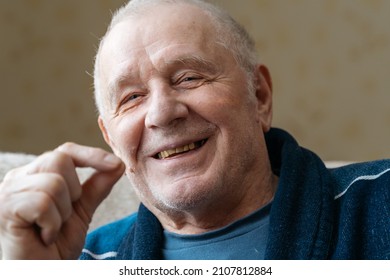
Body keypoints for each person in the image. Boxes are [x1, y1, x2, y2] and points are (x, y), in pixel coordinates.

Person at [0, 0, 389, 260]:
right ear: (110, 138)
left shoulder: (379, 201)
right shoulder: (82, 259)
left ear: (260, 96)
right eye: (132, 98)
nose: (162, 113)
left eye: (188, 77)